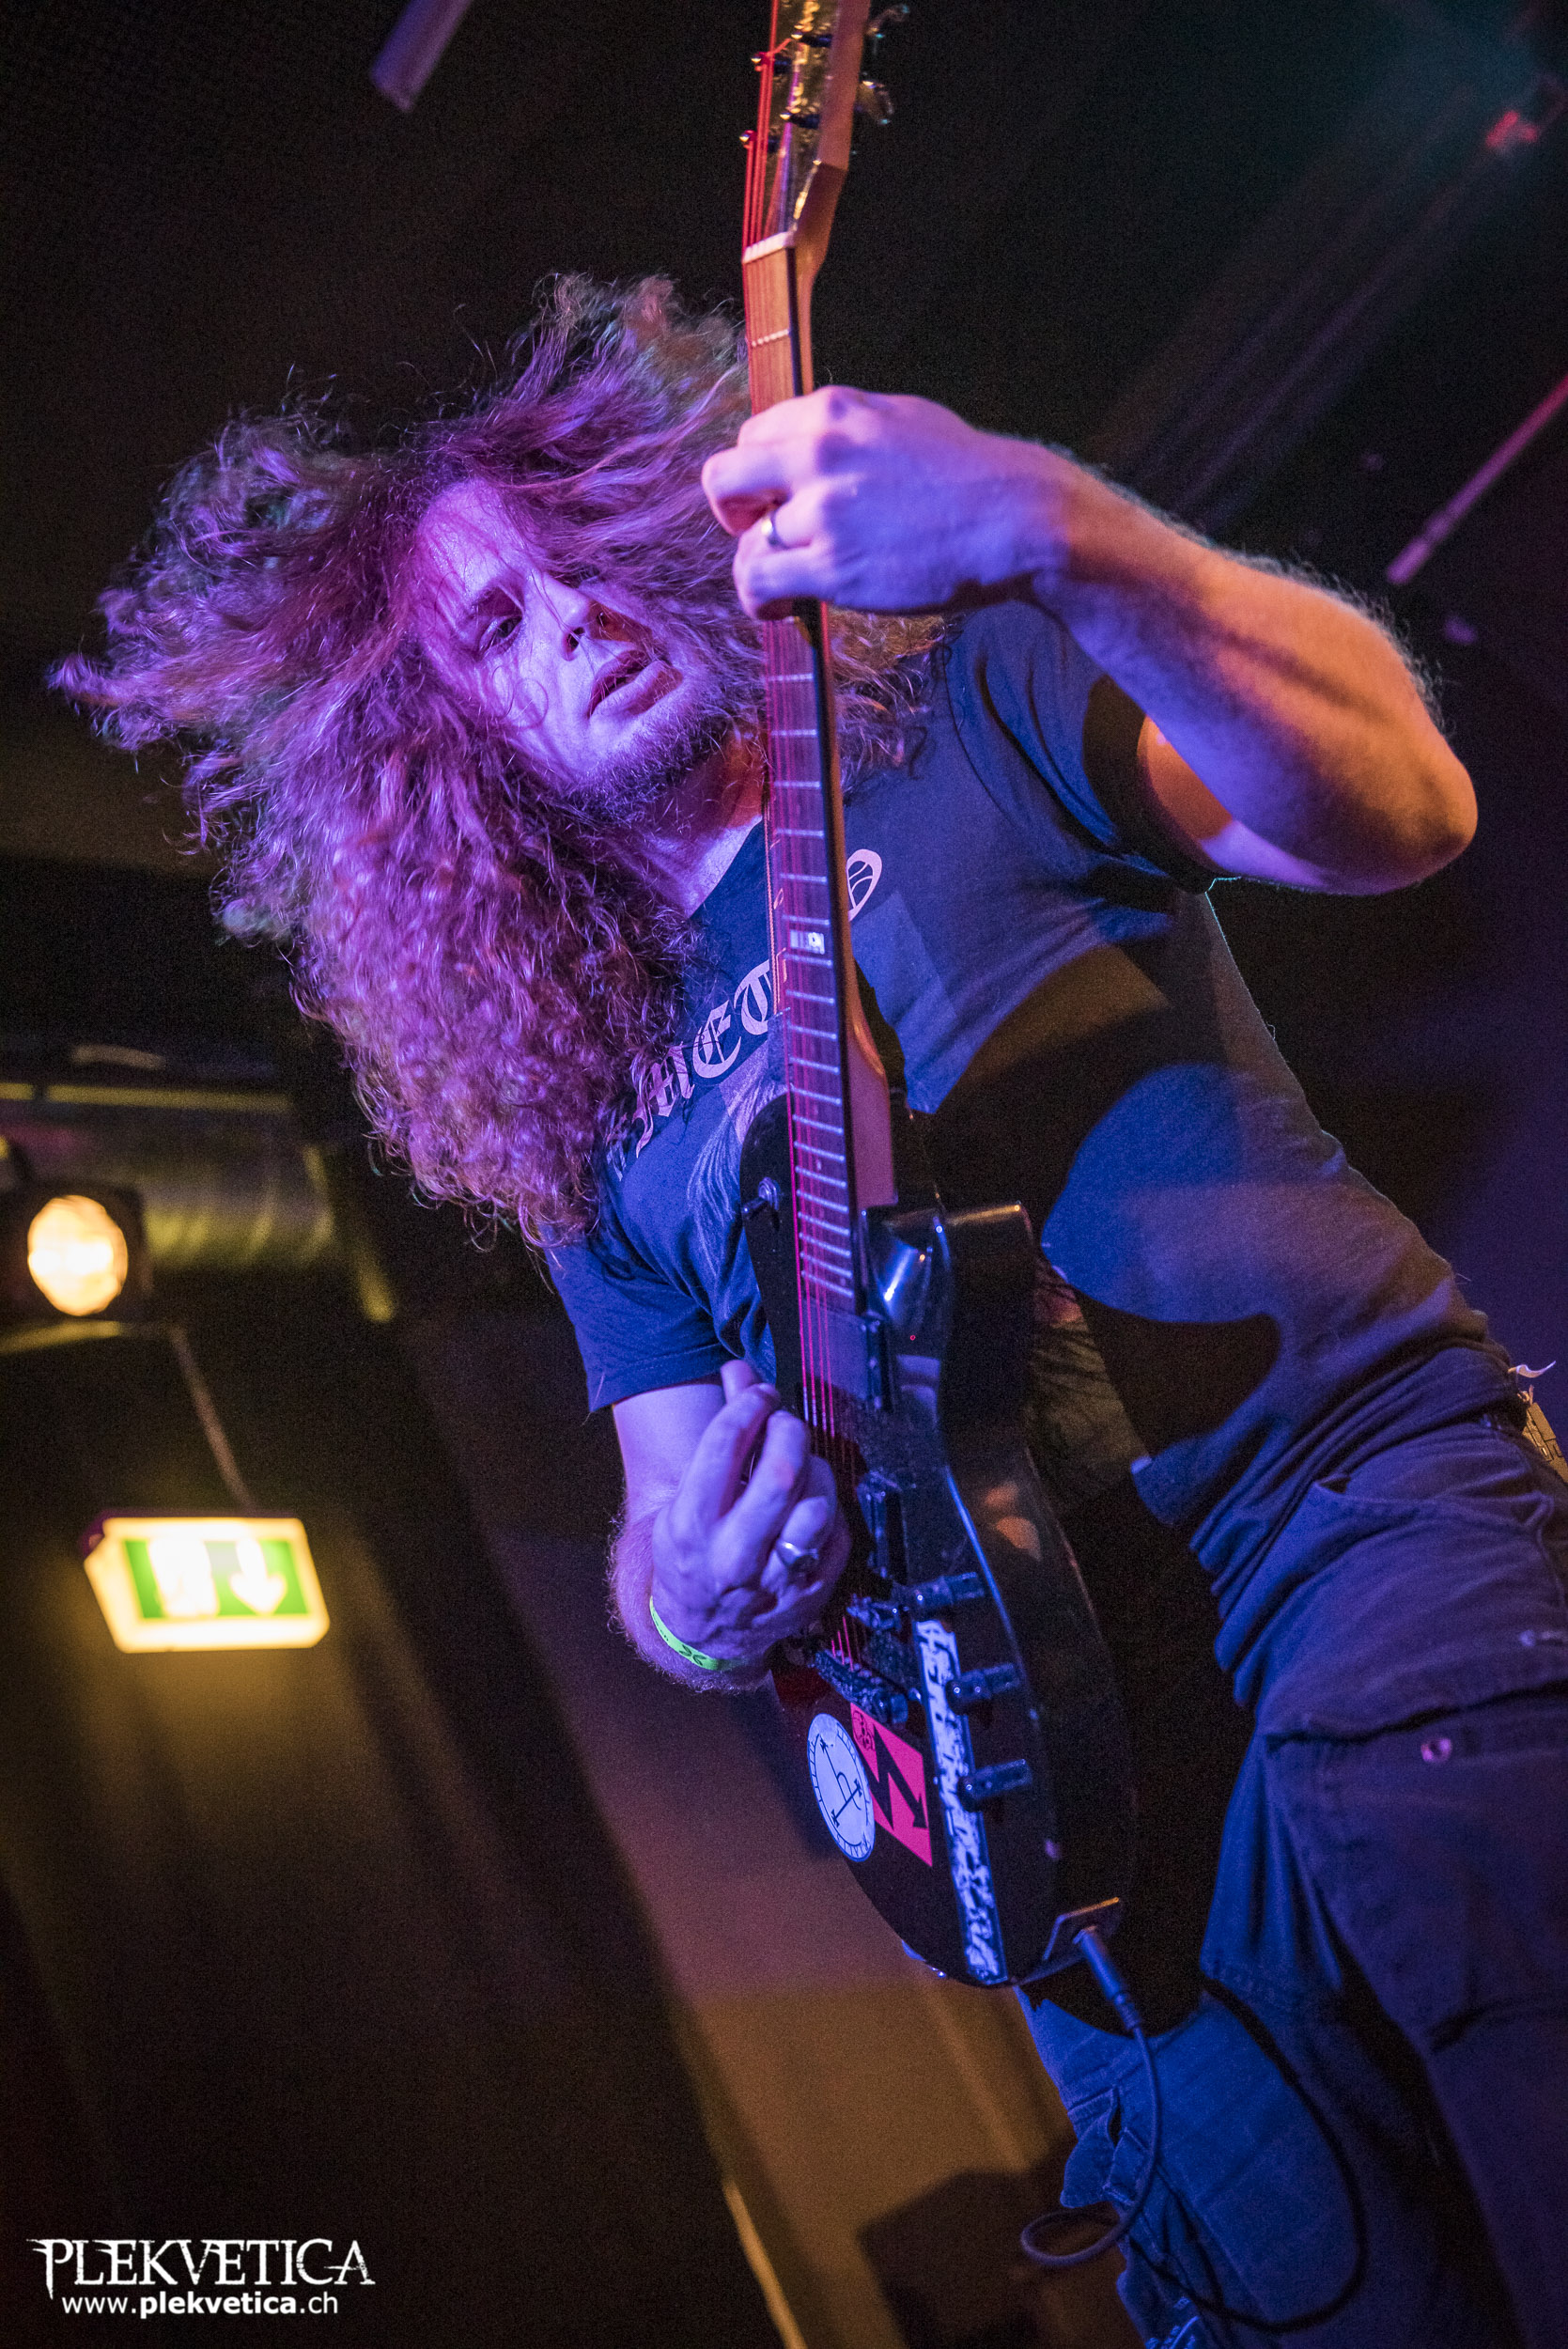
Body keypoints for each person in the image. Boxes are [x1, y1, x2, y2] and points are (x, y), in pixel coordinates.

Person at [59, 279, 1568, 2349]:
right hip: (1060, 1775)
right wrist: (695, 1592)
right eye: (494, 629)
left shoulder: (961, 713)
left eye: (584, 556)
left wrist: (1066, 529)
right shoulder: (585, 1103)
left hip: (1345, 1541)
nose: (573, 622)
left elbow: (1402, 807)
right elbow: (666, 1540)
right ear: (449, 741)